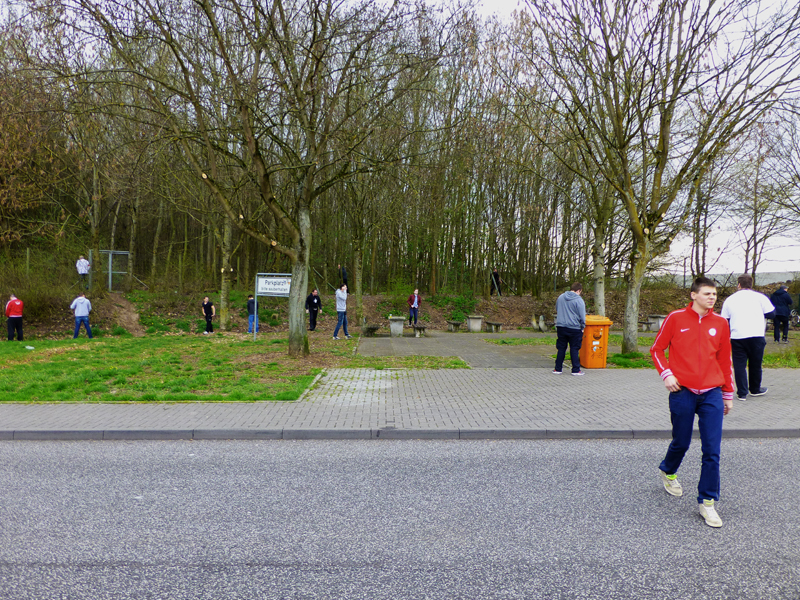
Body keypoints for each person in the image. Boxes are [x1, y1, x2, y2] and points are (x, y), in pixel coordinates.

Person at [651, 277, 733, 528]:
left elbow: (724, 359)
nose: (712, 298)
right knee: (681, 442)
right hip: (682, 390)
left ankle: (707, 502)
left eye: (714, 294)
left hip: (711, 393)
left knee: (712, 450)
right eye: (707, 293)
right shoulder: (675, 318)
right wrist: (667, 374)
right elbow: (657, 349)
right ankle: (668, 470)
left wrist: (728, 393)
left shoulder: (720, 323)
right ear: (693, 295)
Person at [720, 274, 775, 400]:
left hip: (737, 336)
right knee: (756, 363)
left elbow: (724, 320)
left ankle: (742, 393)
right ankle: (755, 389)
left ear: (739, 285)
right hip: (756, 335)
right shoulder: (760, 297)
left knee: (739, 365)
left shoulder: (730, 299)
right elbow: (772, 314)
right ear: (751, 284)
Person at [553, 282, 586, 375]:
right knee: (574, 348)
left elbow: (557, 309)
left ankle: (557, 369)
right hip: (574, 328)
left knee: (561, 348)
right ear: (579, 290)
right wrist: (583, 326)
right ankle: (576, 370)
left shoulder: (560, 297)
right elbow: (582, 316)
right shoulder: (579, 300)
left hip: (561, 326)